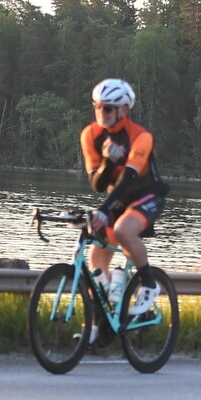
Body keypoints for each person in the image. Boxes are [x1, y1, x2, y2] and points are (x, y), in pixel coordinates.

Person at [78, 77, 169, 316]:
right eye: (97, 106)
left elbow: (129, 177)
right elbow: (98, 184)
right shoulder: (90, 135)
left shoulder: (141, 136)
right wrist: (108, 162)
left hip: (148, 195)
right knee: (96, 257)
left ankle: (149, 284)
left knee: (123, 231)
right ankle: (107, 318)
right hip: (118, 199)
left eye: (108, 108)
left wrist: (103, 210)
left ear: (124, 110)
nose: (101, 112)